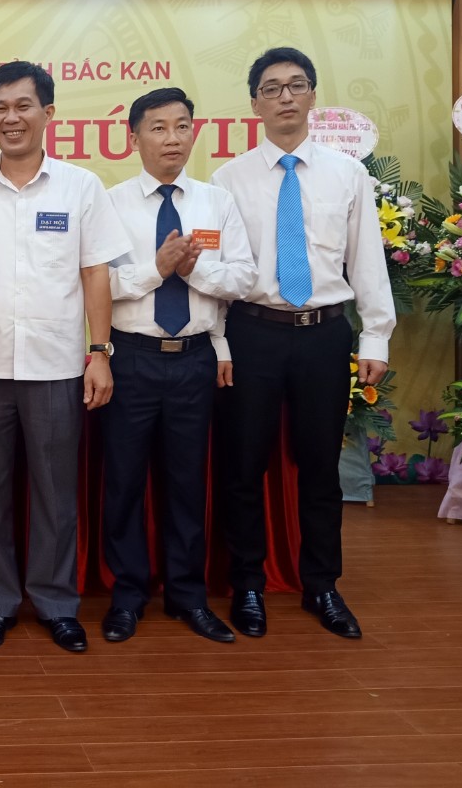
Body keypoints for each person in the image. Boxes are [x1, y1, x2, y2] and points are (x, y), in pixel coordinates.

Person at [0, 61, 130, 653]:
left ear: (48, 113)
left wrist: (100, 353)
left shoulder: (81, 187)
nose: (11, 117)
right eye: (0, 107)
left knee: (54, 492)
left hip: (56, 366)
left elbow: (95, 274)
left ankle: (55, 603)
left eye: (23, 106)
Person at [212, 47, 395, 639]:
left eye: (296, 85)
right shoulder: (227, 180)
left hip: (324, 336)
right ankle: (247, 584)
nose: (285, 97)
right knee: (244, 465)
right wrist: (220, 344)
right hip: (252, 333)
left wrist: (376, 337)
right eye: (272, 88)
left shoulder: (348, 174)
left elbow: (367, 260)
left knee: (321, 468)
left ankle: (322, 585)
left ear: (313, 95)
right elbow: (218, 272)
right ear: (254, 104)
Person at [100, 87, 256, 645]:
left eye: (182, 126)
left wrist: (193, 273)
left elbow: (243, 278)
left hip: (193, 361)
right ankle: (127, 595)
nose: (172, 138)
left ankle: (188, 596)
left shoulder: (216, 202)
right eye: (159, 127)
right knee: (123, 483)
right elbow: (98, 284)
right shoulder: (109, 203)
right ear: (134, 137)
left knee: (188, 483)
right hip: (131, 359)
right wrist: (157, 268)